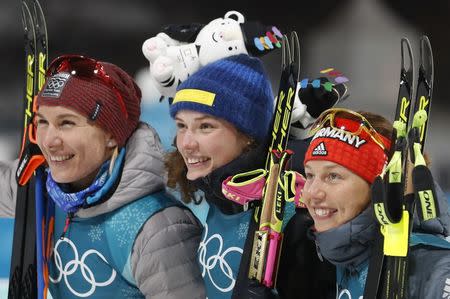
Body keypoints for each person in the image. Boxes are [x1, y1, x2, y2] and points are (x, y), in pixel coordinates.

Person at [0, 55, 205, 298]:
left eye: (67, 123)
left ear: (110, 135)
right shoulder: (40, 188)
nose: (49, 141)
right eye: (42, 122)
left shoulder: (158, 228)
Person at [165, 53, 336, 298]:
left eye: (205, 126)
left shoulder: (294, 214)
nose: (186, 143)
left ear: (247, 136)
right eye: (182, 126)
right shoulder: (219, 193)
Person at [278, 108, 450, 298]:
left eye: (333, 176)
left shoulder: (436, 271)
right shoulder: (342, 254)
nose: (311, 193)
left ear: (381, 186)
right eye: (310, 174)